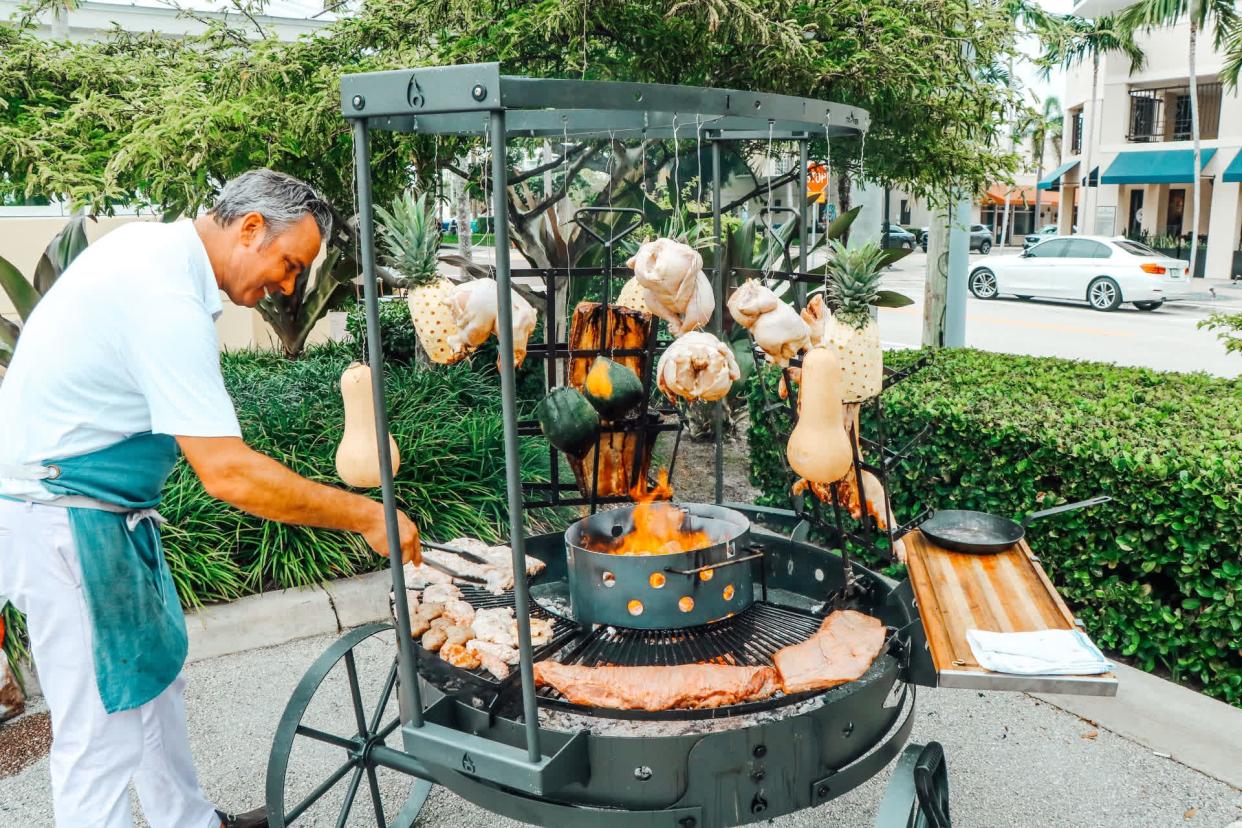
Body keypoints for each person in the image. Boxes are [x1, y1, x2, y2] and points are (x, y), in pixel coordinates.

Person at [0, 169, 421, 828]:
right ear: (250, 227)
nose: (289, 285)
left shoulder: (163, 260)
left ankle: (189, 823)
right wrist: (368, 515)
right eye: (289, 263)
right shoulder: (164, 294)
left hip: (100, 512)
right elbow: (229, 473)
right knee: (100, 735)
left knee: (156, 686)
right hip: (62, 515)